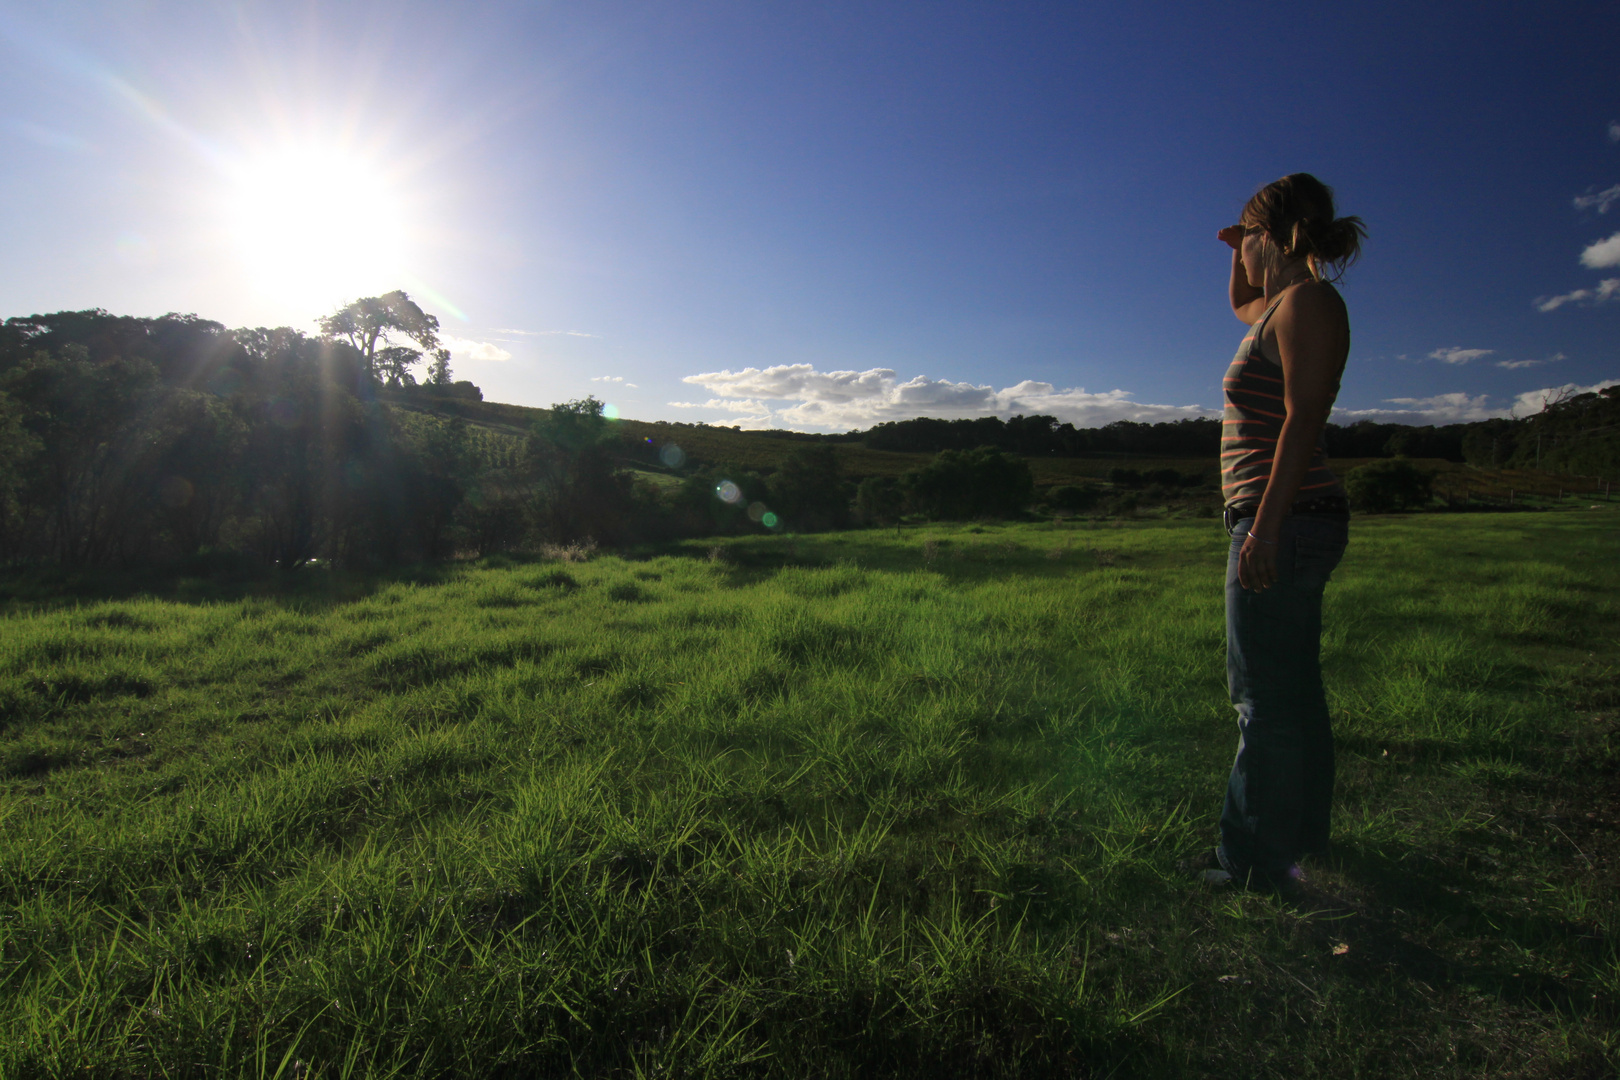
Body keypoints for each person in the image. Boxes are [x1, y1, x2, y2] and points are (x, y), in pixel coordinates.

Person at [1204, 173, 1365, 890]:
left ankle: (1252, 865)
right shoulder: (1280, 305)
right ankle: (1299, 838)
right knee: (1292, 690)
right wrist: (1232, 248)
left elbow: (1305, 418)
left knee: (1263, 698)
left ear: (1270, 238)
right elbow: (1242, 302)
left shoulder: (1310, 302)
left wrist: (1263, 531)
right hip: (1287, 517)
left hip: (1284, 518)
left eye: (1246, 239)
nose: (1240, 255)